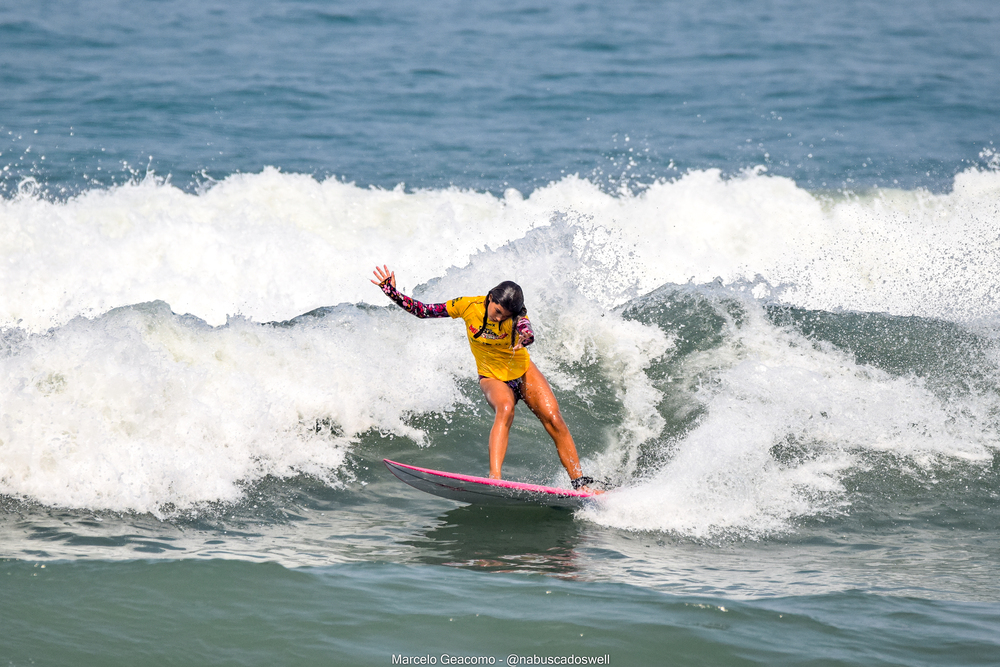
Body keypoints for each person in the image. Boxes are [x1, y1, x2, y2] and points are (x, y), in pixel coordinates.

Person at [371, 265, 597, 492]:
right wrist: (391, 292)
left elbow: (526, 329)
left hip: (522, 370)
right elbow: (424, 311)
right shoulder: (468, 305)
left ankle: (580, 484)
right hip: (491, 375)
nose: (499, 318)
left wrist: (526, 337)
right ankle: (495, 479)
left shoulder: (517, 318)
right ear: (490, 299)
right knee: (506, 408)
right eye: (497, 311)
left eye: (505, 316)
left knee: (554, 418)